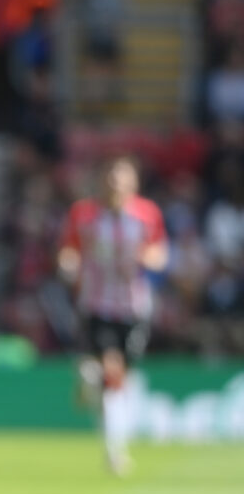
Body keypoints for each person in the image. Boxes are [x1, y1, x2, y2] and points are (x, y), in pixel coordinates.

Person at [57, 156, 168, 475]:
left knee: (119, 379)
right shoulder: (84, 214)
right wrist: (68, 264)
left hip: (135, 307)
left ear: (133, 183)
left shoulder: (147, 214)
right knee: (113, 372)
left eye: (121, 179)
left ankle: (89, 382)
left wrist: (151, 259)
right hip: (97, 305)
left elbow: (160, 251)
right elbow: (69, 248)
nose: (115, 185)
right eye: (110, 178)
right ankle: (114, 452)